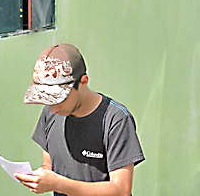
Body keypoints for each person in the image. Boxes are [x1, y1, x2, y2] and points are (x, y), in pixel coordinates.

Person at [16, 44, 144, 196]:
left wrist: (58, 184)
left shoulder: (116, 120)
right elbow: (49, 166)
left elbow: (121, 190)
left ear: (83, 82)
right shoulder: (50, 114)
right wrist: (39, 179)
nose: (53, 109)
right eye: (48, 100)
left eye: (59, 99)